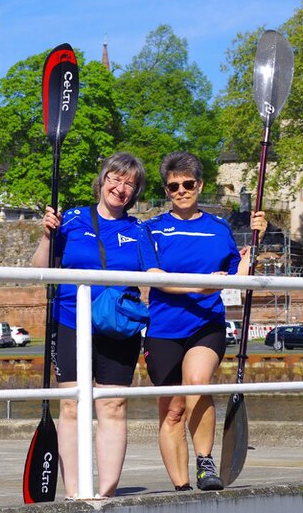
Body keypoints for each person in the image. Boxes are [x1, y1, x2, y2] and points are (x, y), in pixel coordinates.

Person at [139, 151, 266, 492]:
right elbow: (156, 278)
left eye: (188, 184)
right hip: (163, 328)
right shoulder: (150, 229)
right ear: (166, 190)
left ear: (200, 185)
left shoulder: (219, 228)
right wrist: (200, 284)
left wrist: (256, 242)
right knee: (172, 409)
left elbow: (239, 275)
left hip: (205, 323)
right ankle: (181, 489)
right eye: (173, 186)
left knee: (197, 383)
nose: (181, 191)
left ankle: (205, 463)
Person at [31, 152, 146, 499]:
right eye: (115, 178)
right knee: (71, 405)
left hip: (119, 326)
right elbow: (40, 270)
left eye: (129, 183)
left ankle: (106, 494)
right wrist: (47, 236)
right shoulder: (71, 219)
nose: (120, 188)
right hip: (70, 320)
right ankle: (74, 493)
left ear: (135, 192)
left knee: (113, 405)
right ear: (102, 179)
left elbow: (159, 273)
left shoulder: (139, 230)